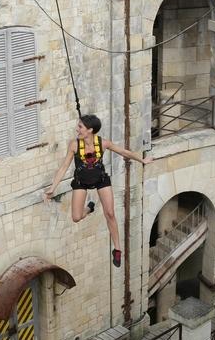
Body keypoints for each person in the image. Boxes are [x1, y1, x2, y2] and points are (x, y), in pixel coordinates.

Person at [44, 114, 153, 267]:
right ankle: (89, 209)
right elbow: (64, 167)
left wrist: (142, 160)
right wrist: (53, 188)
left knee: (110, 213)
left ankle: (117, 249)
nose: (77, 129)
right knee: (76, 217)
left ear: (90, 130)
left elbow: (124, 152)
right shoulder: (74, 145)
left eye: (80, 127)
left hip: (101, 180)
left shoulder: (103, 143)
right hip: (81, 182)